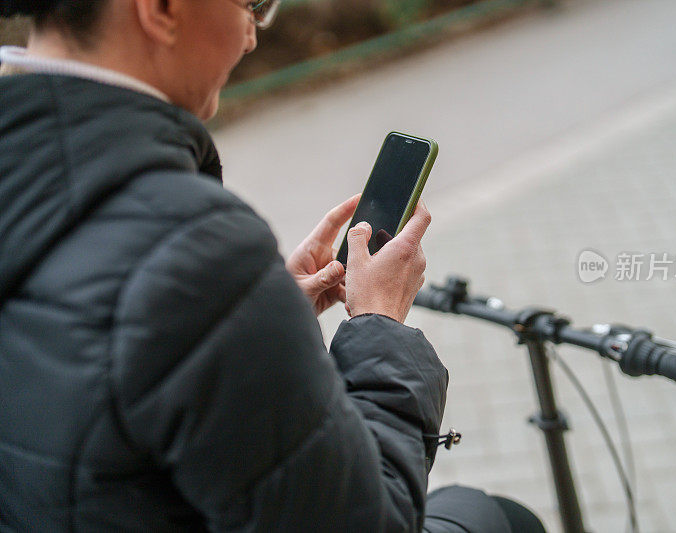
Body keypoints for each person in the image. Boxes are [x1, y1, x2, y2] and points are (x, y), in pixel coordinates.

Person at [0, 1, 545, 531]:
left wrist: (253, 318)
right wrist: (378, 322)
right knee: (499, 516)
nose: (253, 34)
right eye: (253, 3)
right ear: (161, 8)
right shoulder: (196, 247)